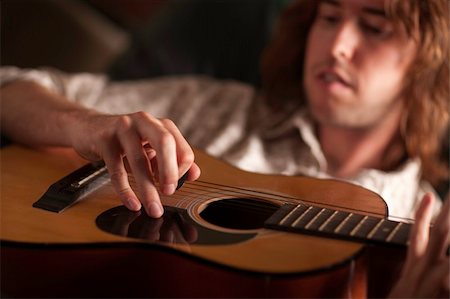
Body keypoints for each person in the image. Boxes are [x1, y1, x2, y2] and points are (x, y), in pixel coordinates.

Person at [0, 0, 448, 297]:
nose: (337, 46)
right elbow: (10, 87)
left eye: (374, 28)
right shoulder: (219, 108)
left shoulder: (423, 234)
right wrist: (86, 124)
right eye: (328, 18)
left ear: (429, 63)